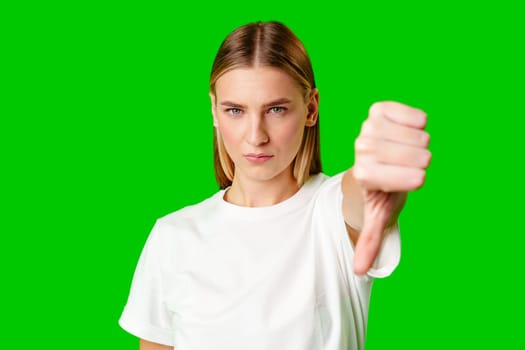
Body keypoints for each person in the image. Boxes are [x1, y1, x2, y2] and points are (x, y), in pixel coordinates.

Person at [119, 21, 431, 350]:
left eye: (276, 109)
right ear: (214, 110)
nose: (256, 136)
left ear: (311, 108)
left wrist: (376, 174)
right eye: (235, 110)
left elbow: (359, 198)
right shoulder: (173, 237)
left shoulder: (330, 213)